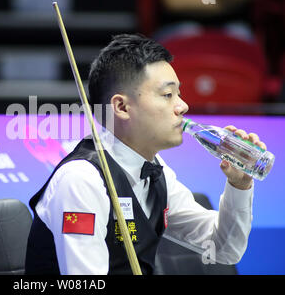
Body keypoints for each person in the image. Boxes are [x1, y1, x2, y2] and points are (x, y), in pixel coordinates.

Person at [25, 34, 266, 275]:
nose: (183, 106)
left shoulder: (155, 169)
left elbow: (223, 249)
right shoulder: (81, 180)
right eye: (167, 95)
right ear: (121, 107)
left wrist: (239, 184)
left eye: (178, 94)